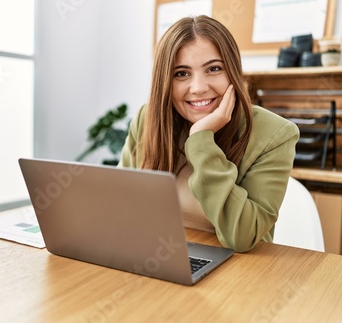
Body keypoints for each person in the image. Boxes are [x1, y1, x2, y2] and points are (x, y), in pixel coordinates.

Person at [118, 15, 299, 252]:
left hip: (240, 271)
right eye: (181, 73)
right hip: (157, 257)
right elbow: (120, 206)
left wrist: (201, 141)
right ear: (165, 82)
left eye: (214, 69)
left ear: (232, 71)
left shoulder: (274, 134)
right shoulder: (148, 119)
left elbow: (242, 236)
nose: (199, 87)